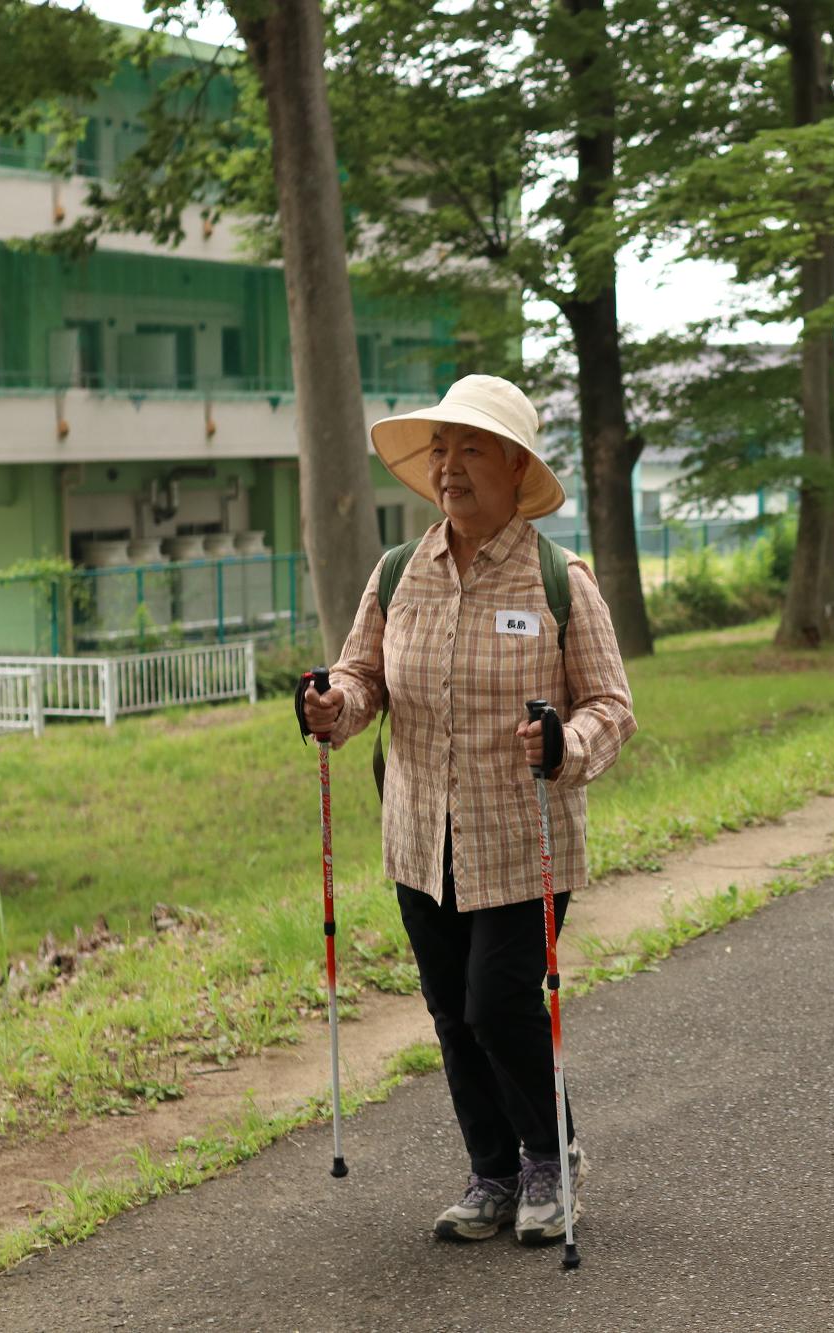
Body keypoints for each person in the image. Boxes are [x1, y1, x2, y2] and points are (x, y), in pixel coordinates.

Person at [297, 376, 637, 1246]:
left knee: (498, 1002)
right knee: (450, 1007)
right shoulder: (398, 572)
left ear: (517, 466)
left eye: (471, 448)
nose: (449, 467)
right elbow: (362, 675)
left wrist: (565, 743)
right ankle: (491, 1171)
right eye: (441, 449)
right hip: (421, 837)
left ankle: (551, 1156)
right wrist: (334, 704)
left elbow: (611, 703)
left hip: (524, 839)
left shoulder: (562, 581)